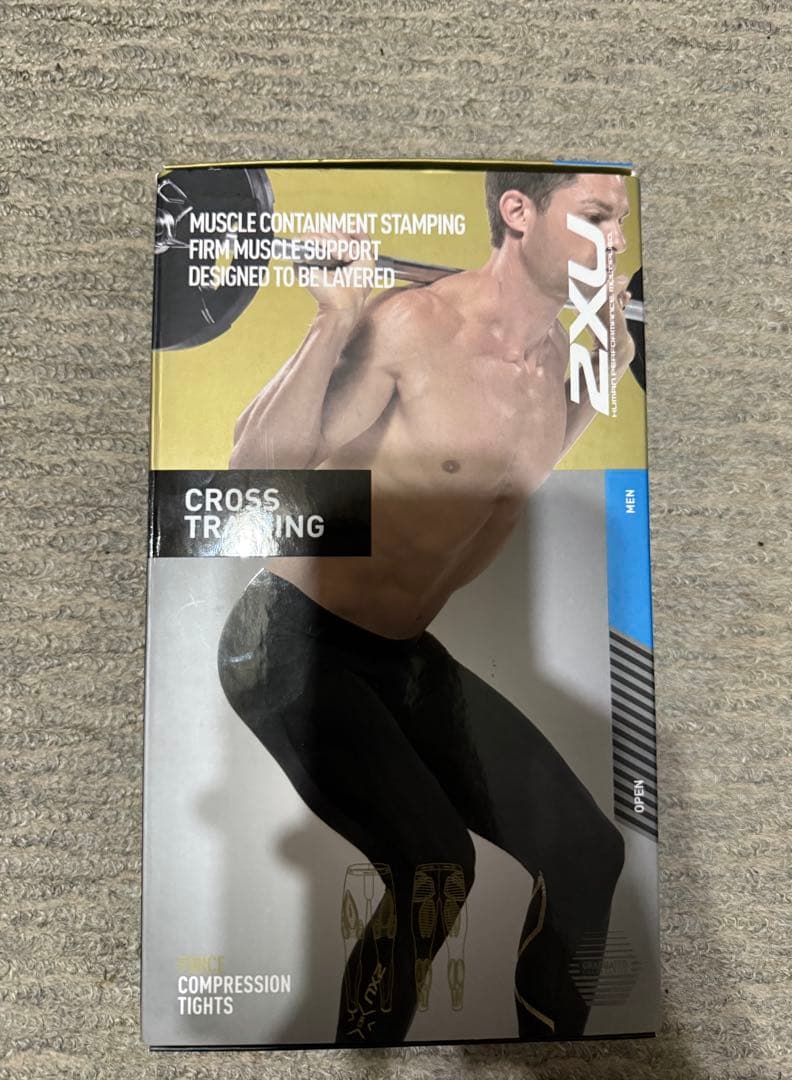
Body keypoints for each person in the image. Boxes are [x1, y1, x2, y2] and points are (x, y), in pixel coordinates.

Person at [218, 170, 635, 1044]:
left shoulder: (563, 365)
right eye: (596, 216)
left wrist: (609, 364)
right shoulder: (414, 325)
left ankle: (555, 1060)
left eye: (621, 223)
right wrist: (334, 322)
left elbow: (508, 484)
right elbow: (252, 476)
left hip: (401, 656)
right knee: (433, 865)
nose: (616, 241)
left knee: (587, 853)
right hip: (290, 640)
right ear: (518, 213)